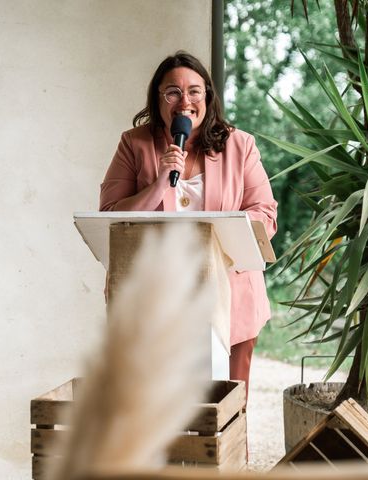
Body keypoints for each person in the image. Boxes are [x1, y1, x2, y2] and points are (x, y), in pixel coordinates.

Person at [99, 51, 277, 396]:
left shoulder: (239, 145)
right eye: (173, 92)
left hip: (229, 295)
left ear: (207, 98)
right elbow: (110, 216)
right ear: (158, 99)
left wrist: (215, 236)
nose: (185, 102)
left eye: (195, 91)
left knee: (227, 409)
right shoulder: (133, 144)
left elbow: (264, 215)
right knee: (155, 406)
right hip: (154, 296)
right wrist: (160, 182)